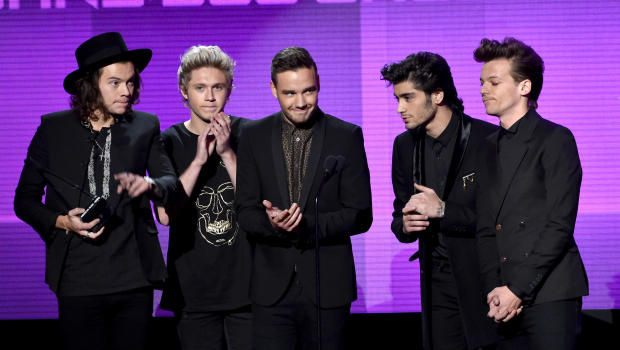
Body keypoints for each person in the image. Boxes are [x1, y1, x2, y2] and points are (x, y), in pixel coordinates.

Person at [13, 32, 180, 350]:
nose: (127, 91)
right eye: (115, 83)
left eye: (131, 82)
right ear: (89, 85)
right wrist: (63, 221)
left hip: (133, 278)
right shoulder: (53, 129)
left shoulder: (145, 125)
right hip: (78, 280)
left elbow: (170, 182)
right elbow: (24, 200)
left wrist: (150, 185)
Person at [235, 47, 372, 349]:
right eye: (290, 93)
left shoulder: (346, 136)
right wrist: (272, 223)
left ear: (319, 83)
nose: (300, 102)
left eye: (308, 91)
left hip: (328, 289)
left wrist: (305, 226)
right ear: (273, 89)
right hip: (270, 289)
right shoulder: (253, 137)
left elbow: (360, 214)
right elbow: (244, 210)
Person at [473, 37, 588, 350]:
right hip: (501, 298)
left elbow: (559, 226)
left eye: (494, 82)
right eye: (482, 82)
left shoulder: (555, 139)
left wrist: (518, 290)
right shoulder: (485, 148)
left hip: (549, 292)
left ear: (524, 87)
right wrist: (495, 288)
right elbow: (484, 227)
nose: (484, 89)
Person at [381, 52, 498, 350]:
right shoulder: (404, 145)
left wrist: (443, 211)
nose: (399, 109)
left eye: (408, 98)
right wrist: (405, 225)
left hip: (485, 278)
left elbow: (500, 219)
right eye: (397, 99)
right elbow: (399, 215)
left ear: (437, 95)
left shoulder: (488, 140)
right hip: (436, 281)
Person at [156, 45, 252, 350]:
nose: (210, 96)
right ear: (184, 91)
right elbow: (166, 215)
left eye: (217, 87)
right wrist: (198, 161)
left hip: (247, 287)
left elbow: (259, 204)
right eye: (200, 88)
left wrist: (227, 153)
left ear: (229, 90)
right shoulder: (167, 141)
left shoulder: (250, 133)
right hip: (192, 288)